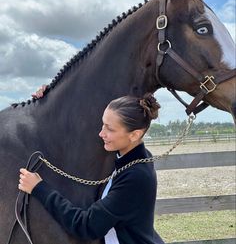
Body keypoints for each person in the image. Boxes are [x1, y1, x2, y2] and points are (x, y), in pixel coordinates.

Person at [19, 87, 165, 244]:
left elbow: (86, 227)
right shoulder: (131, 158)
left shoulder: (136, 177)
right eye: (103, 125)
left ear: (135, 134)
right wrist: (52, 97)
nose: (101, 133)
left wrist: (39, 188)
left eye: (110, 129)